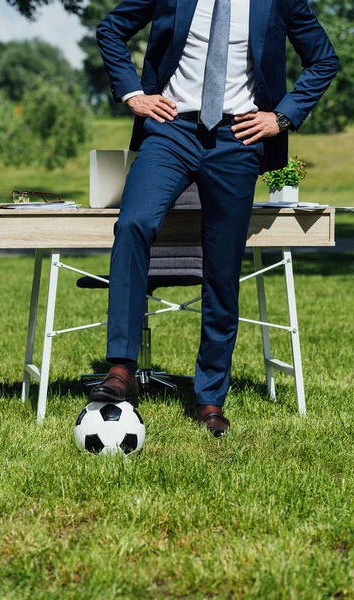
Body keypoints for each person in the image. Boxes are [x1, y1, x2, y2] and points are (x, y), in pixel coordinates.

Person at [89, 0, 339, 436]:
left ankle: (210, 397)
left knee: (222, 265)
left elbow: (324, 58)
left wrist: (282, 117)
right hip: (171, 130)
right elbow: (111, 29)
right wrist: (133, 93)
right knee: (133, 223)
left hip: (238, 138)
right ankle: (121, 367)